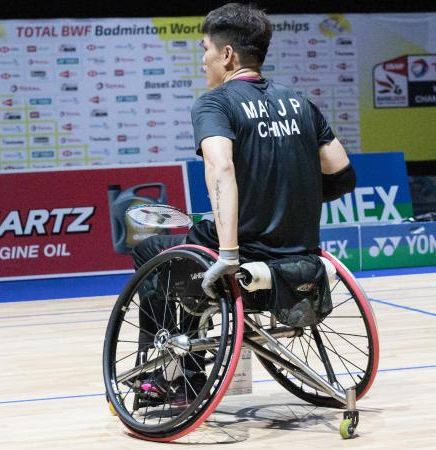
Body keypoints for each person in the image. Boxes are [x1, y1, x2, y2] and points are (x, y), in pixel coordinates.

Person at [131, 3, 356, 405]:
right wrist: (288, 200)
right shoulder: (300, 103)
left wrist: (230, 252)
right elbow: (341, 172)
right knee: (182, 255)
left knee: (151, 251)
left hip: (242, 253)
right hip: (299, 254)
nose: (203, 60)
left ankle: (176, 376)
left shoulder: (215, 103)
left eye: (204, 49)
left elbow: (221, 170)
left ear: (227, 55)